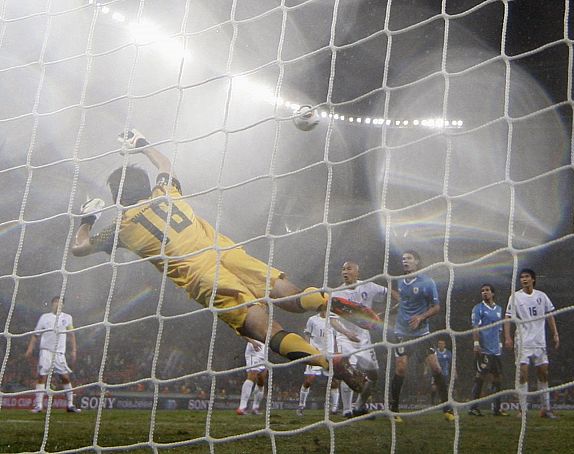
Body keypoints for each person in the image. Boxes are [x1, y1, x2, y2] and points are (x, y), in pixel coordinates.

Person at [70, 130, 364, 393]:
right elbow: (165, 165)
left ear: (117, 197)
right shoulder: (166, 194)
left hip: (203, 277)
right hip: (228, 254)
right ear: (145, 186)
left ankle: (327, 362)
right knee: (293, 296)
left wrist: (88, 218)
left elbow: (80, 249)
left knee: (267, 331)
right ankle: (333, 303)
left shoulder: (121, 227)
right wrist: (141, 144)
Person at [388, 250, 454, 422]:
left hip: (422, 333)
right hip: (402, 332)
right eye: (403, 259)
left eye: (409, 258)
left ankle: (447, 408)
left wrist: (420, 317)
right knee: (401, 368)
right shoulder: (399, 281)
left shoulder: (427, 282)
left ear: (417, 261)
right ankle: (394, 410)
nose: (405, 261)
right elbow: (399, 296)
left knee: (436, 368)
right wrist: (399, 301)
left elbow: (436, 307)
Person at [330, 260, 390, 417]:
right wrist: (347, 333)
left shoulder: (368, 286)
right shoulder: (336, 293)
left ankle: (360, 405)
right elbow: (333, 320)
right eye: (343, 269)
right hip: (345, 338)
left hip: (364, 338)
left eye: (349, 269)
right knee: (348, 370)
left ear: (357, 272)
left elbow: (388, 293)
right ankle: (347, 409)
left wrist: (397, 303)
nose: (345, 271)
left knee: (374, 374)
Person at [503, 268, 560, 419]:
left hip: (540, 341)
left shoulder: (542, 296)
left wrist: (555, 333)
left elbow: (550, 315)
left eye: (527, 277)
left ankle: (546, 409)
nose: (524, 279)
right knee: (523, 374)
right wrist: (507, 337)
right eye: (522, 277)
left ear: (533, 279)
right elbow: (507, 317)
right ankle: (523, 410)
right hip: (522, 341)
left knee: (544, 373)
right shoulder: (515, 297)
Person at [25, 296, 81, 413]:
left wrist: (74, 350)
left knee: (65, 377)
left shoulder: (67, 318)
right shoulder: (44, 317)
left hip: (59, 353)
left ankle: (70, 405)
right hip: (45, 351)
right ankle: (39, 406)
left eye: (60, 303)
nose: (57, 304)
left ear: (63, 305)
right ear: (52, 304)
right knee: (42, 377)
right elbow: (36, 334)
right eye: (55, 302)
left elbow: (71, 335)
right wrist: (30, 349)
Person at [469, 284, 507, 416]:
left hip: (496, 350)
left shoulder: (499, 309)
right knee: (480, 376)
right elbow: (475, 327)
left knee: (498, 378)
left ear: (493, 293)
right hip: (484, 349)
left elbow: (500, 329)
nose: (484, 293)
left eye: (487, 290)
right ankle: (473, 408)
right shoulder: (478, 308)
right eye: (482, 291)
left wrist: (500, 344)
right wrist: (476, 343)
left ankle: (497, 409)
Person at [297, 306, 342, 416]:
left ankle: (334, 409)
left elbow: (337, 338)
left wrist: (338, 352)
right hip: (315, 355)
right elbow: (306, 334)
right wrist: (309, 349)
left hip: (330, 355)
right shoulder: (312, 320)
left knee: (334, 382)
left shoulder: (334, 320)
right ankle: (301, 406)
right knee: (309, 381)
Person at [236, 338, 268, 415]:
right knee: (252, 375)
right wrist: (252, 342)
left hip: (263, 351)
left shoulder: (270, 326)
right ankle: (242, 407)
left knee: (261, 380)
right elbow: (242, 332)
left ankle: (255, 408)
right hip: (254, 351)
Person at [430, 339, 452, 405]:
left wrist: (454, 371)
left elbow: (451, 362)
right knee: (434, 387)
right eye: (439, 343)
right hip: (435, 373)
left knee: (445, 387)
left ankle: (445, 401)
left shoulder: (448, 353)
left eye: (442, 343)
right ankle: (432, 401)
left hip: (445, 373)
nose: (440, 345)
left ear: (444, 345)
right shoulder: (435, 352)